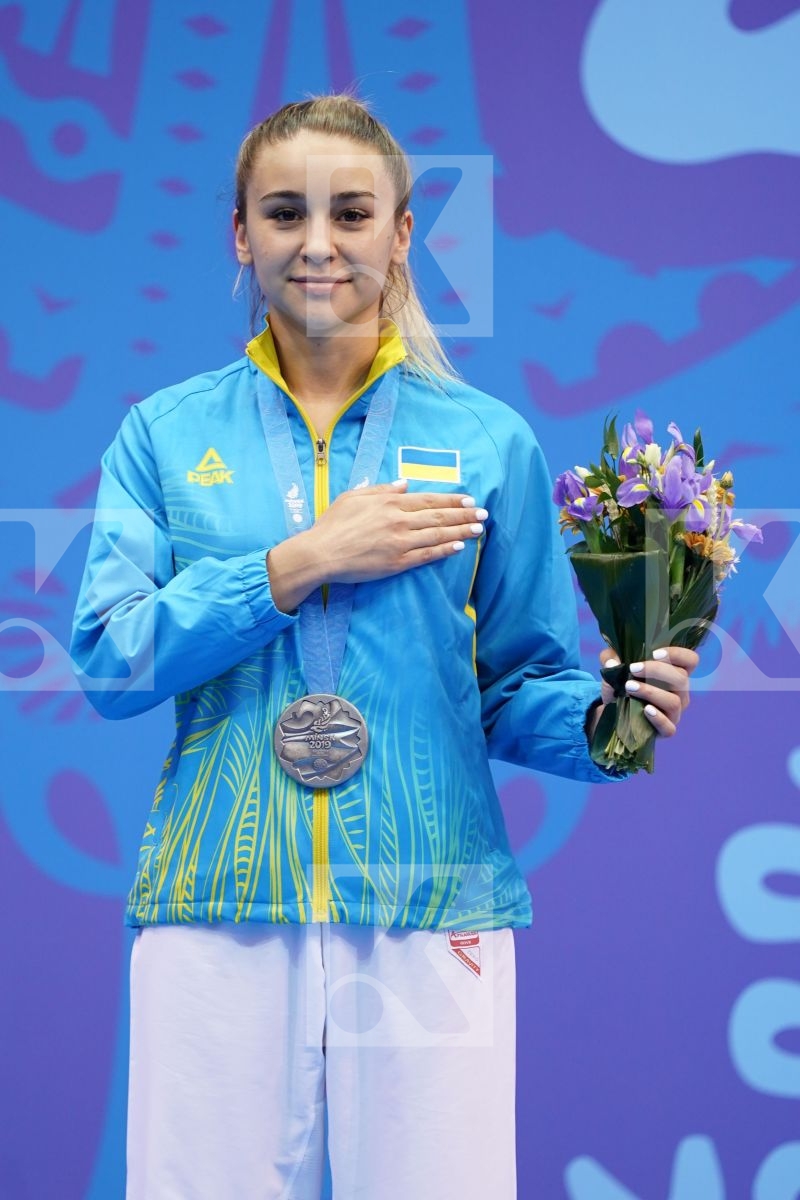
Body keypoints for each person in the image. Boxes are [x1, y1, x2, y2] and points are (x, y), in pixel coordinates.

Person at [70, 94, 699, 1200]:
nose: (317, 243)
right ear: (238, 234)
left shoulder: (484, 440)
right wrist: (295, 562)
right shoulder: (163, 435)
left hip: (432, 904)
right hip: (217, 911)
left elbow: (520, 686)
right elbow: (111, 660)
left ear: (402, 233)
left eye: (351, 212)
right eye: (282, 213)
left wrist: (609, 720)